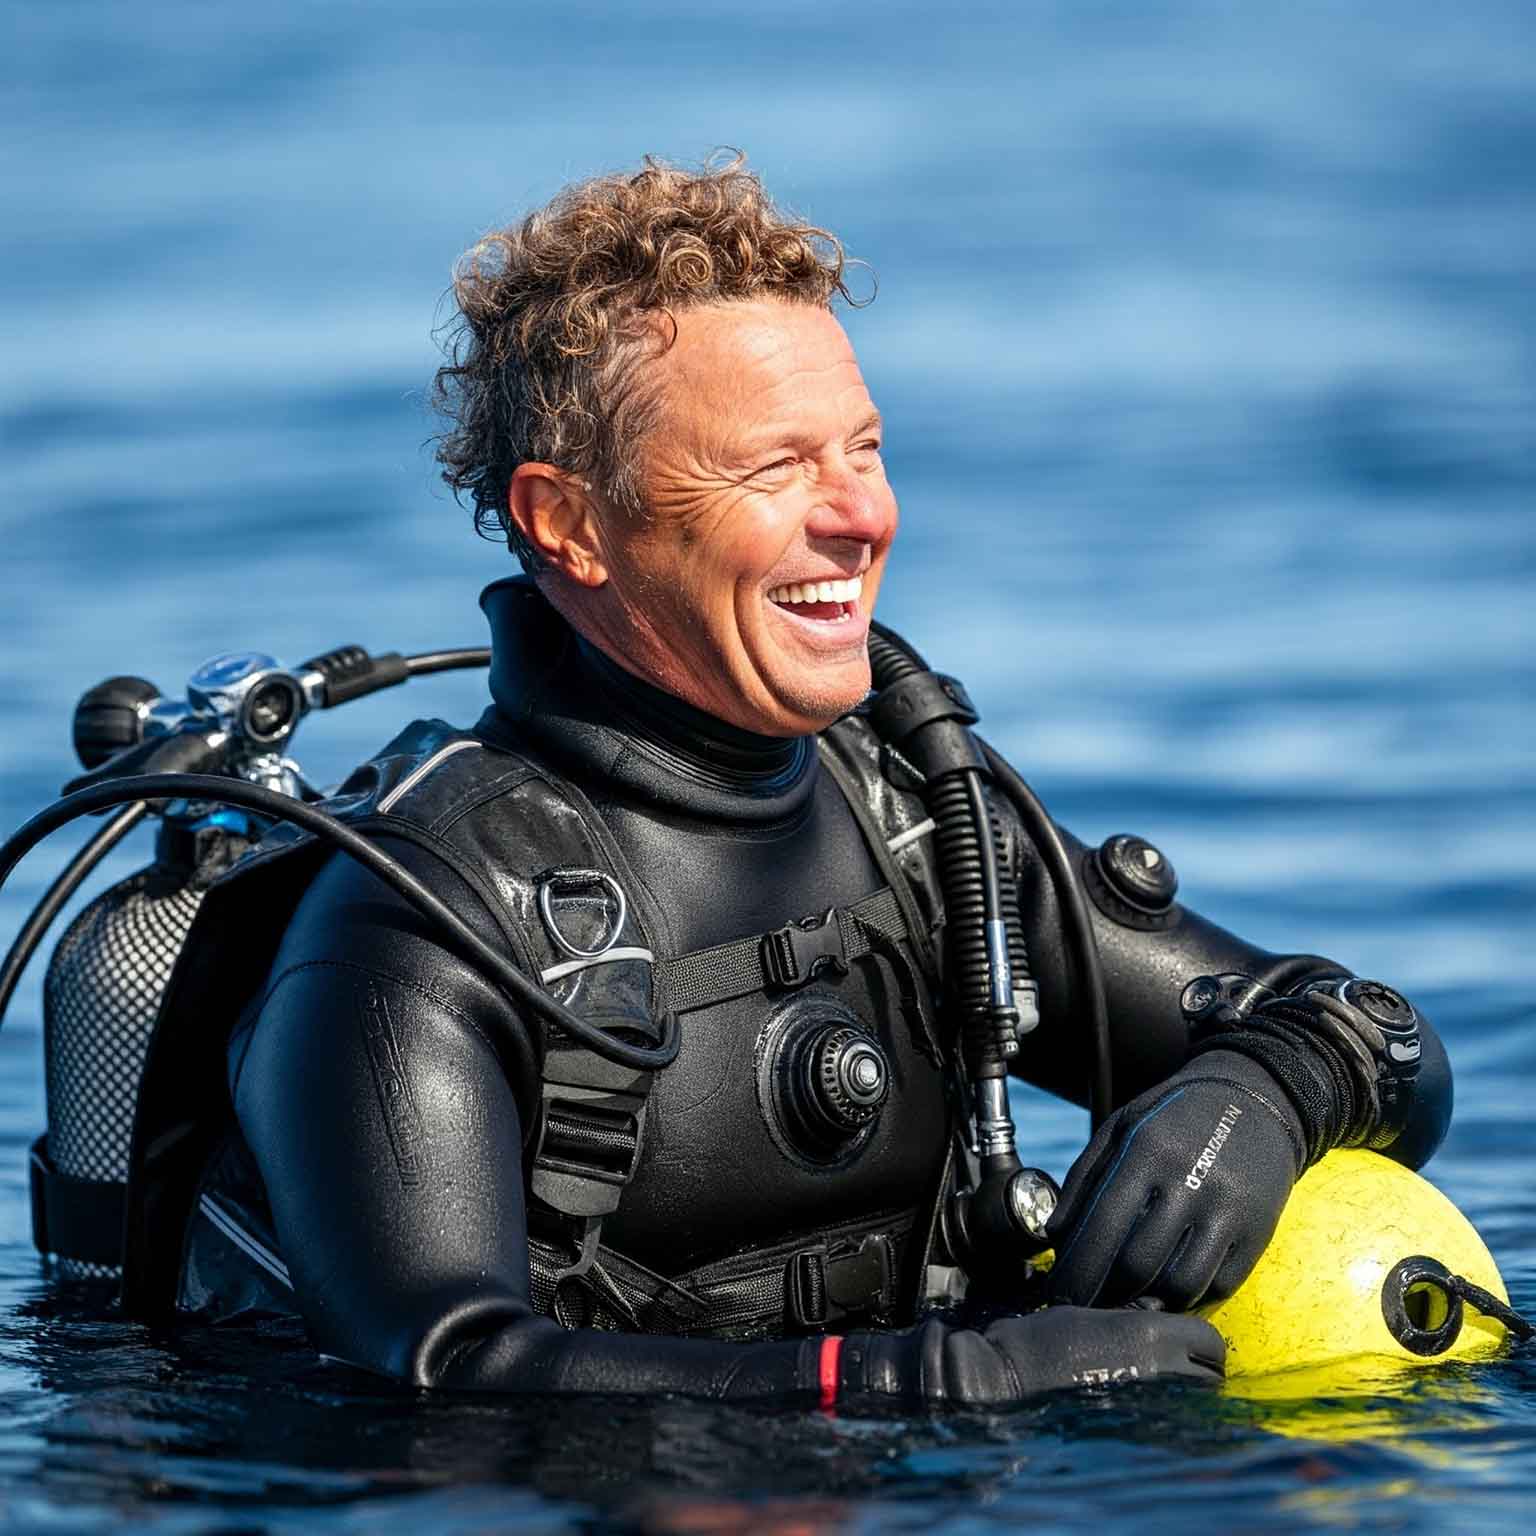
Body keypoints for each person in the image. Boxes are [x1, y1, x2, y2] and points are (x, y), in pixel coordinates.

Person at [124, 158, 1451, 1407]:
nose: (859, 516)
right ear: (567, 521)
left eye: (862, 450)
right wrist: (921, 1386)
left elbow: (1378, 1036)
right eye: (776, 466)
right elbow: (433, 1371)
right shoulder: (423, 929)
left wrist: (1262, 1094)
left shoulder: (920, 823)